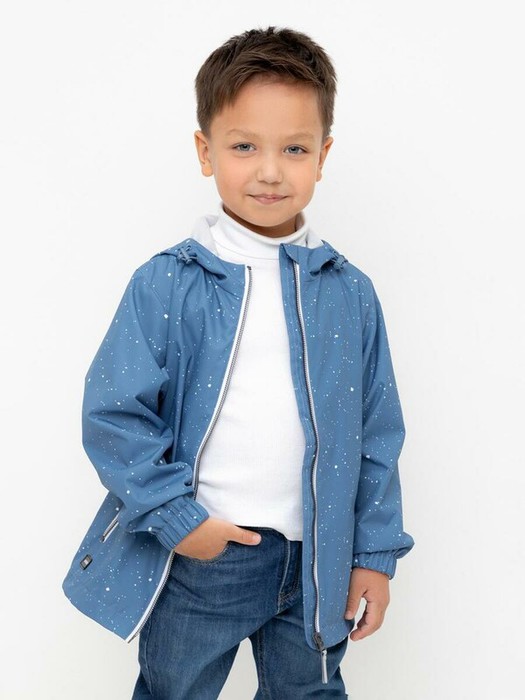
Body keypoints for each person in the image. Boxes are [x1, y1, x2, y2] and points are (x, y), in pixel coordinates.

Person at [63, 25, 415, 699]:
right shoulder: (168, 283)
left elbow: (376, 432)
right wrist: (179, 520)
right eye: (244, 146)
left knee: (311, 692)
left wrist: (373, 554)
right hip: (207, 556)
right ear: (206, 151)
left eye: (294, 148)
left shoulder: (349, 293)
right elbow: (114, 414)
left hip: (317, 561)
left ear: (323, 155)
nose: (270, 171)